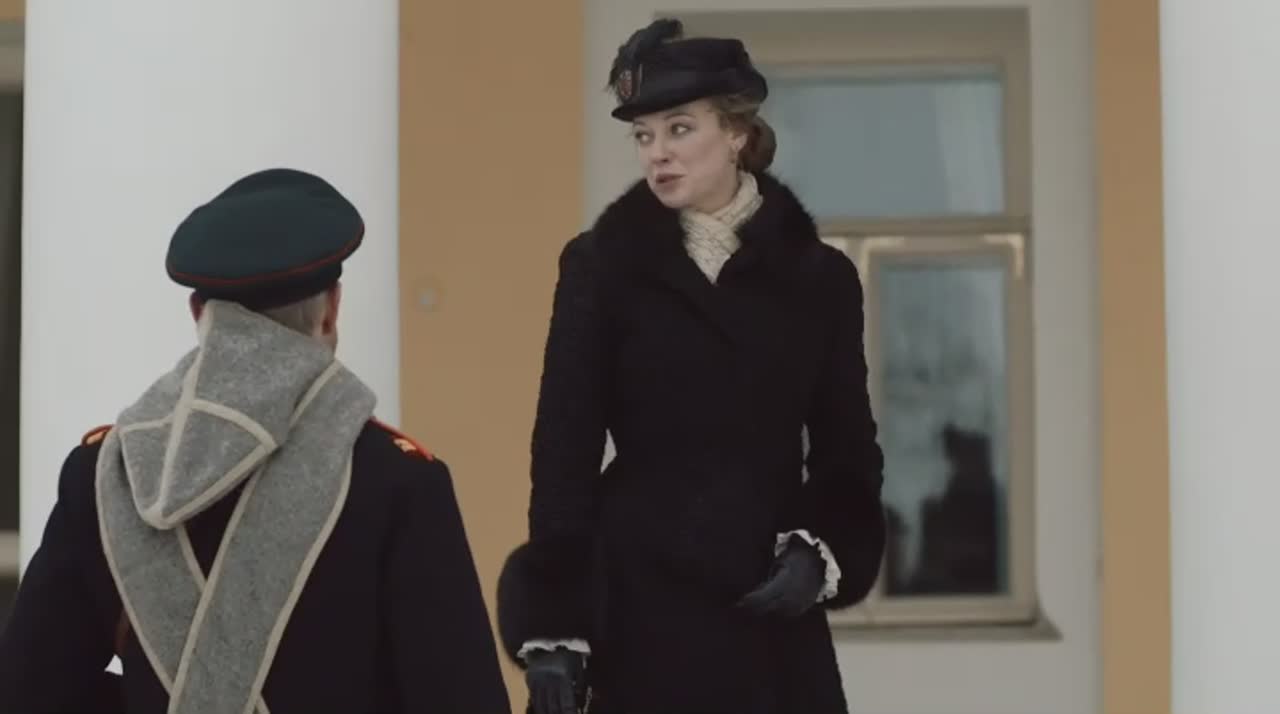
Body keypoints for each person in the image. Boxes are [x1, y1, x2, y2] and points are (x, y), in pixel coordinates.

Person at [0, 168, 511, 713]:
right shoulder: (399, 482)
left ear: (199, 316)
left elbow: (28, 693)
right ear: (330, 312)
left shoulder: (106, 474)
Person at [495, 18, 887, 714]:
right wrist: (558, 628)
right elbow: (563, 454)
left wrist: (818, 551)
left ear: (736, 133)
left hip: (768, 602)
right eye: (644, 136)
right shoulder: (599, 268)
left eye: (679, 129)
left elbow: (848, 447)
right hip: (638, 603)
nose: (658, 154)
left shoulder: (819, 278)